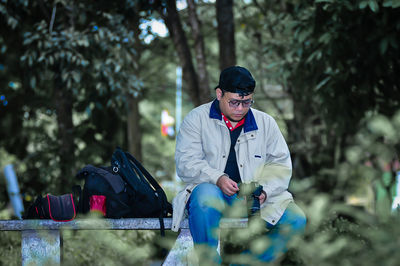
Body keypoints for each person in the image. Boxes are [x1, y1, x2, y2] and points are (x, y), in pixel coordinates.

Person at [171, 66, 306, 264]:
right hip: (213, 195)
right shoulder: (196, 119)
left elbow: (280, 165)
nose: (241, 108)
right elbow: (186, 163)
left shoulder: (266, 123)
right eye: (234, 102)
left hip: (255, 200)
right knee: (205, 196)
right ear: (219, 94)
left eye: (246, 102)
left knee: (297, 219)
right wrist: (217, 178)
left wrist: (265, 191)